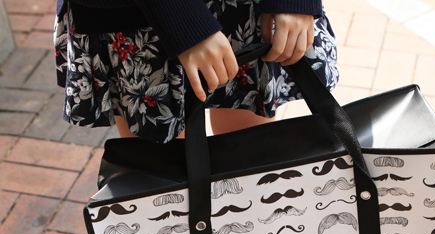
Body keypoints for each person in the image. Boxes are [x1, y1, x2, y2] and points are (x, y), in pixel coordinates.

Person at [54, 0, 338, 143]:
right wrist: (181, 18)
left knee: (253, 169)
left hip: (247, 8)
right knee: (163, 190)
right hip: (141, 13)